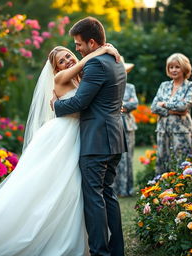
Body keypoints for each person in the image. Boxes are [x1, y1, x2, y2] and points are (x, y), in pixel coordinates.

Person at [0, 45, 120, 256]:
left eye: (68, 56)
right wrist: (101, 51)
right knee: (51, 187)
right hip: (62, 138)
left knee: (73, 190)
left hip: (80, 138)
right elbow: (81, 87)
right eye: (61, 61)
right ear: (56, 69)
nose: (68, 61)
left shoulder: (82, 79)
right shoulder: (62, 78)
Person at [51, 17, 127, 256]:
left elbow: (80, 102)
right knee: (108, 194)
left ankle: (100, 253)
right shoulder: (116, 61)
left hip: (96, 141)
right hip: (114, 138)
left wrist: (56, 106)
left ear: (92, 42)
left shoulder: (95, 65)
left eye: (79, 44)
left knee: (94, 199)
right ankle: (116, 251)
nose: (77, 49)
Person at [151, 53, 192, 174]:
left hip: (181, 131)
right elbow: (154, 107)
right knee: (162, 161)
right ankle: (161, 192)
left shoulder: (191, 86)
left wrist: (164, 104)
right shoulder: (164, 85)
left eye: (177, 67)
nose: (173, 70)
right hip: (163, 130)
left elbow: (184, 106)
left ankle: (183, 192)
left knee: (182, 162)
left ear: (184, 68)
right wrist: (173, 110)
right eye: (171, 67)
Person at [114, 59, 138, 197]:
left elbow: (134, 103)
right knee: (116, 158)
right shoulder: (110, 86)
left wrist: (120, 105)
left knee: (128, 157)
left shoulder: (130, 87)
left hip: (128, 126)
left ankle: (127, 189)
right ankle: (116, 189)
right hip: (114, 125)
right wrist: (123, 104)